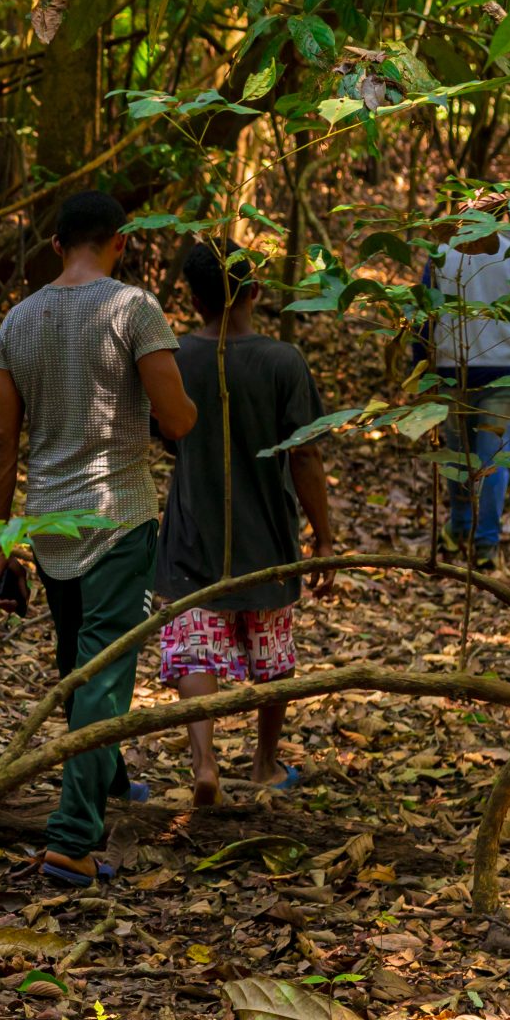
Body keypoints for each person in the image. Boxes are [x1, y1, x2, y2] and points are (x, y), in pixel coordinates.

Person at [0, 191, 199, 887]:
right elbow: (177, 419)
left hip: (49, 519)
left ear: (55, 246)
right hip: (119, 518)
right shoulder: (135, 309)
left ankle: (108, 778)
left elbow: (2, 442)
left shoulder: (18, 321)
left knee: (78, 662)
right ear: (121, 241)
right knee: (102, 674)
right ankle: (73, 838)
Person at [154, 239, 337, 806]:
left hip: (192, 525)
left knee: (195, 641)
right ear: (255, 291)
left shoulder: (174, 358)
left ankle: (204, 761)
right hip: (268, 532)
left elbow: (167, 435)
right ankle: (264, 763)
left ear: (194, 298)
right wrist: (323, 537)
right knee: (271, 647)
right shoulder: (284, 361)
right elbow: (305, 454)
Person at [421, 227, 510, 570]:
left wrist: (420, 369)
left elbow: (423, 315)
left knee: (459, 457)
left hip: (453, 369)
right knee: (491, 461)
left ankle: (463, 529)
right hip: (501, 368)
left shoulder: (441, 254)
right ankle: (483, 543)